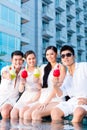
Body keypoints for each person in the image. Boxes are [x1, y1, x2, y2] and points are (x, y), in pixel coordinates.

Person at [23, 46, 66, 122]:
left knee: (36, 114)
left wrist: (46, 102)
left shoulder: (60, 67)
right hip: (43, 98)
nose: (49, 56)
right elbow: (40, 86)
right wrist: (33, 82)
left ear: (56, 54)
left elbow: (58, 88)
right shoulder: (43, 67)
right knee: (26, 114)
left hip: (55, 99)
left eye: (51, 54)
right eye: (47, 54)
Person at [51, 45, 87, 123]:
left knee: (78, 112)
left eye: (68, 55)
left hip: (84, 102)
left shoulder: (84, 66)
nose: (66, 57)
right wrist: (55, 85)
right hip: (72, 102)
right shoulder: (67, 76)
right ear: (61, 59)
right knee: (54, 112)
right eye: (63, 56)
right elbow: (61, 94)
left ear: (74, 56)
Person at [10, 50, 41, 119]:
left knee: (22, 112)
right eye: (29, 59)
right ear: (26, 60)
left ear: (35, 59)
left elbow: (41, 89)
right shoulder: (23, 72)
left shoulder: (39, 70)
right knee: (13, 113)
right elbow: (21, 90)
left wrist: (37, 82)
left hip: (36, 95)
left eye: (33, 58)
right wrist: (22, 83)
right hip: (26, 95)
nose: (32, 61)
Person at [0, 50, 24, 119]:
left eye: (20, 60)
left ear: (22, 61)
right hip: (3, 98)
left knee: (10, 113)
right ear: (12, 60)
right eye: (15, 60)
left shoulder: (24, 72)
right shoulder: (6, 69)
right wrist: (10, 73)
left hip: (14, 100)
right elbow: (5, 74)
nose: (17, 62)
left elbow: (21, 89)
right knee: (5, 112)